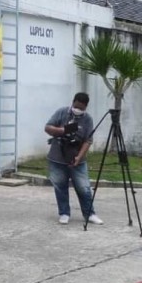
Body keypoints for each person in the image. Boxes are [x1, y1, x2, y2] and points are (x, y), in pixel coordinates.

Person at [44, 92, 104, 226]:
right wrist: (63, 130)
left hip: (77, 159)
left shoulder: (87, 119)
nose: (78, 110)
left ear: (86, 107)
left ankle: (90, 214)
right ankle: (64, 213)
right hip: (57, 157)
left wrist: (79, 157)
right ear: (72, 102)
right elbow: (47, 128)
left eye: (81, 108)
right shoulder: (61, 112)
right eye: (76, 106)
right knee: (60, 186)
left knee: (84, 187)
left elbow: (88, 140)